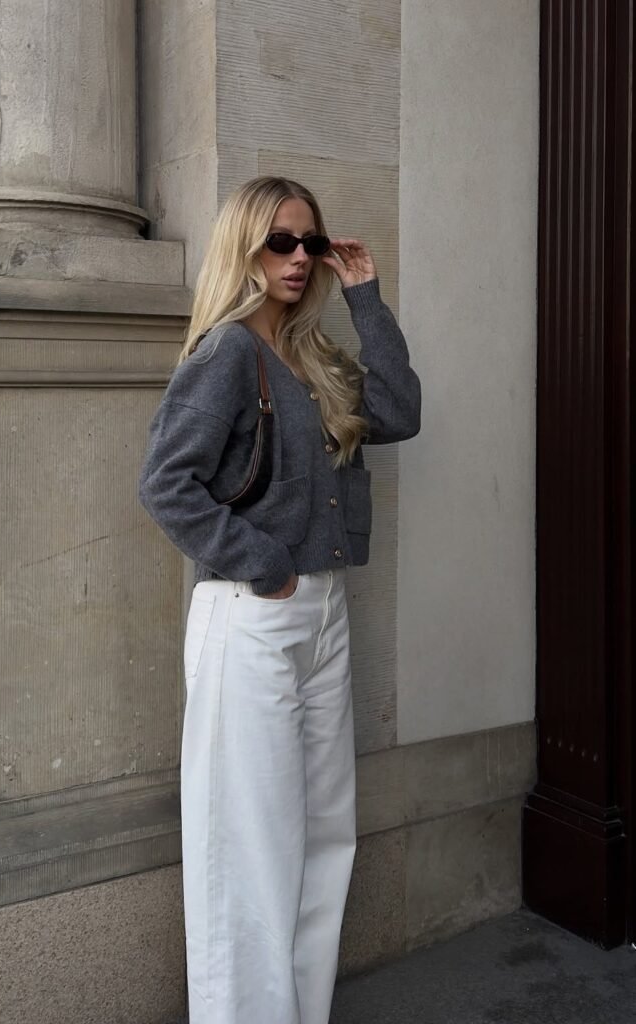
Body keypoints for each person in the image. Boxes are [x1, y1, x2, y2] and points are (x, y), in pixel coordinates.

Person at [138, 175, 421, 1024]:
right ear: (245, 249)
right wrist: (262, 563)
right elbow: (166, 484)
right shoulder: (227, 353)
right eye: (279, 242)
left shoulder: (311, 354)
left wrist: (366, 297)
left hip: (323, 611)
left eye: (309, 242)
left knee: (323, 832)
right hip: (252, 614)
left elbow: (400, 413)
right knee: (250, 847)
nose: (299, 259)